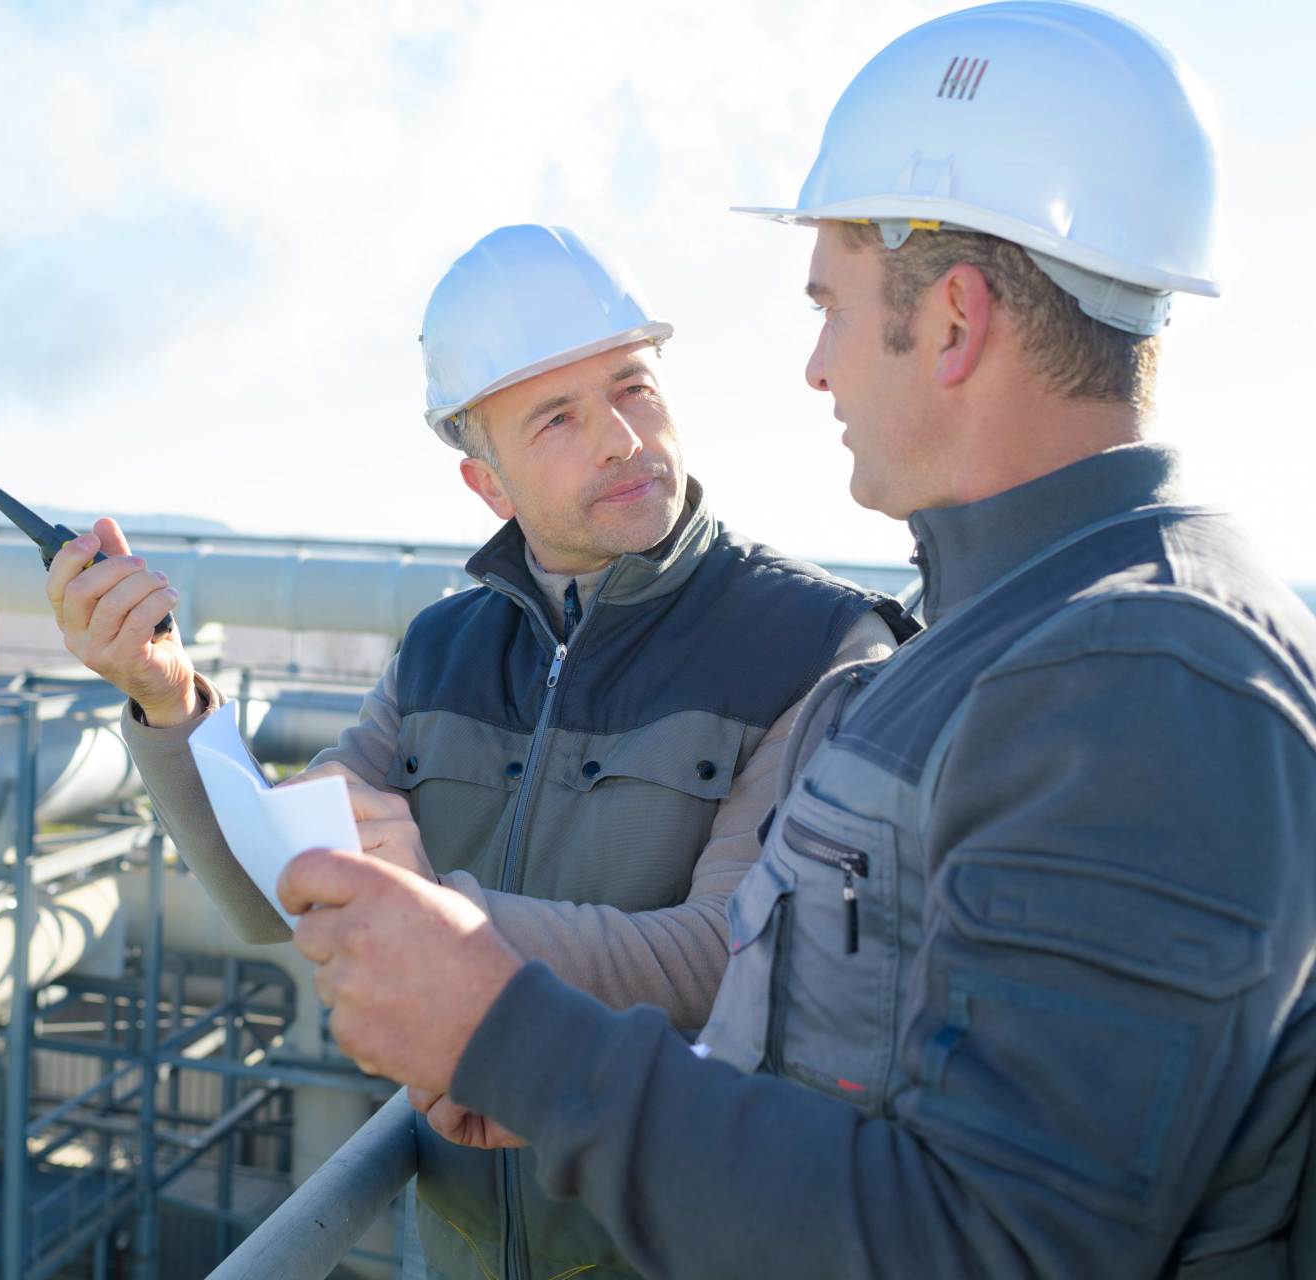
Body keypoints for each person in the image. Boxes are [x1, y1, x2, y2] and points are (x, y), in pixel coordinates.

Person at [277, 3, 1316, 1275]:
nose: (816, 366)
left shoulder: (1142, 673)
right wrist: (562, 1086)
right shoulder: (1011, 637)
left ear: (953, 320)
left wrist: (518, 1036)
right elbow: (844, 1069)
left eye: (830, 304)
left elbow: (994, 1244)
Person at [45, 224, 908, 1278]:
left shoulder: (815, 644)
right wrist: (166, 696)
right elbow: (277, 892)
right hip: (459, 1250)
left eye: (634, 387)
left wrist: (432, 924)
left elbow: (724, 959)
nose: (621, 439)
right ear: (486, 484)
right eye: (558, 417)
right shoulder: (440, 651)